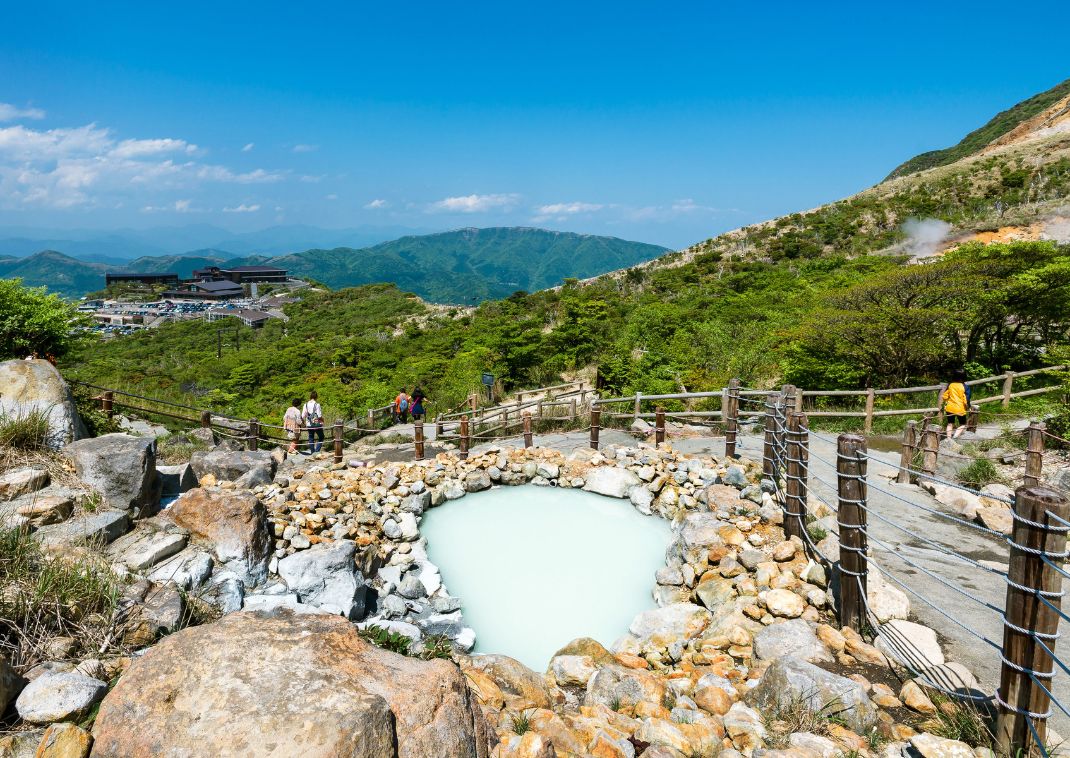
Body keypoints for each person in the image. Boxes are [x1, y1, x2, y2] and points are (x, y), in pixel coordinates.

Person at [941, 368, 972, 440]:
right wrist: (968, 407)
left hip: (950, 407)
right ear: (964, 377)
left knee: (950, 423)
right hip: (960, 408)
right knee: (963, 424)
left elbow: (945, 396)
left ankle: (948, 439)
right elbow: (967, 399)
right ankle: (955, 437)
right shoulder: (965, 387)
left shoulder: (950, 385)